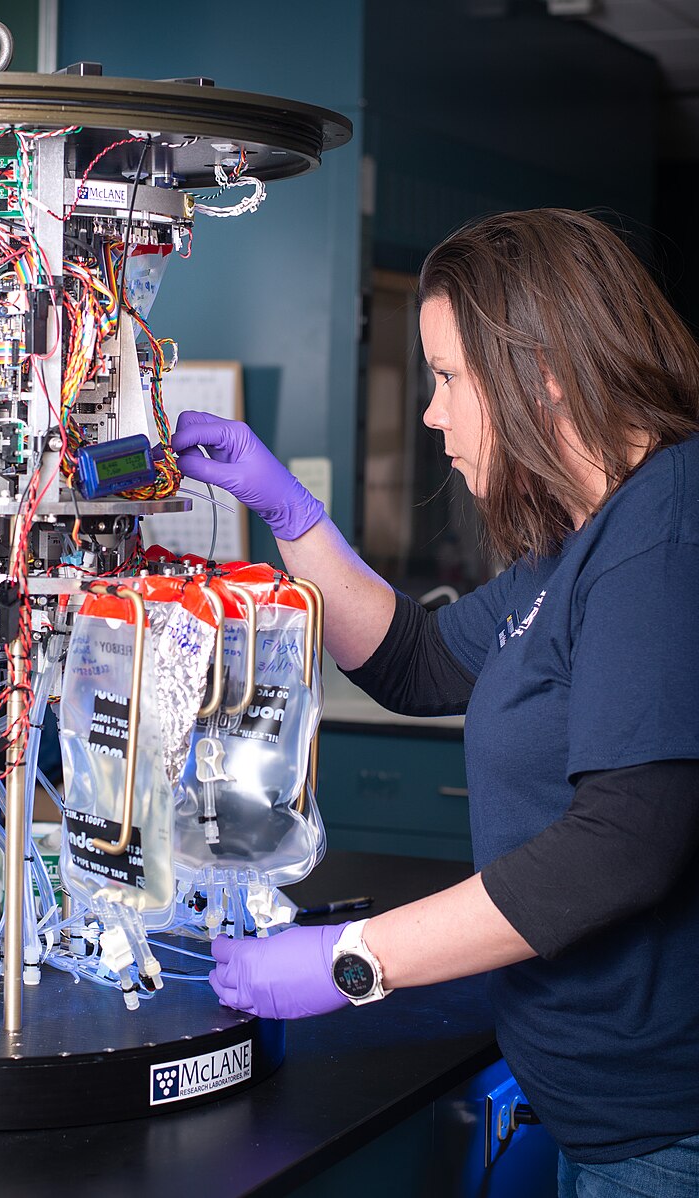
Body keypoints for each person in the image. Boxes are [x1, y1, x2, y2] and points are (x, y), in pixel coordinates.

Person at [170, 209, 699, 1198]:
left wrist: (352, 958)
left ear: (539, 371)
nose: (430, 413)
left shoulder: (666, 531)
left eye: (449, 377)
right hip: (597, 1109)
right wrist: (292, 515)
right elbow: (418, 661)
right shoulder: (580, 541)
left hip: (664, 1131)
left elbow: (624, 842)